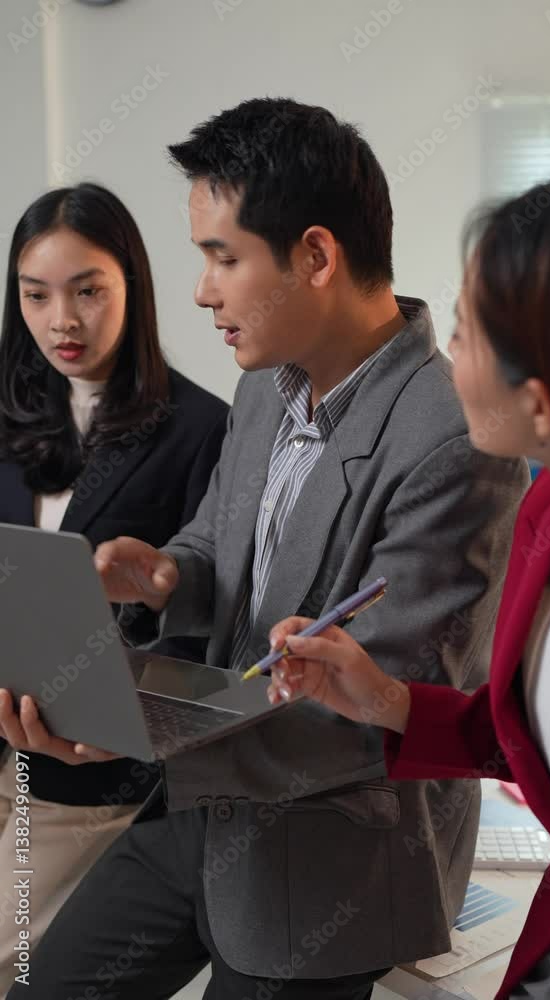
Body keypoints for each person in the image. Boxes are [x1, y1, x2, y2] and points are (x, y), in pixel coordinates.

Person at [4, 100, 528, 1000]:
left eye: (223, 257)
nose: (202, 291)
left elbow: (384, 711)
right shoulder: (264, 387)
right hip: (200, 815)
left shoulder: (452, 438)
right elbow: (218, 541)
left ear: (316, 257)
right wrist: (168, 576)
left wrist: (131, 736)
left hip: (330, 854)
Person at [267, 176, 550, 1000]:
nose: (449, 361)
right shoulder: (546, 507)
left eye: (465, 333)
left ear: (538, 403)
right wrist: (389, 700)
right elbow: (522, 732)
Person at [0, 182, 228, 997]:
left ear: (132, 284)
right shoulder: (8, 415)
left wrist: (123, 715)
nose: (62, 320)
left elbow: (202, 635)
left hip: (91, 780)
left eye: (88, 291)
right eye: (36, 295)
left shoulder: (200, 429)